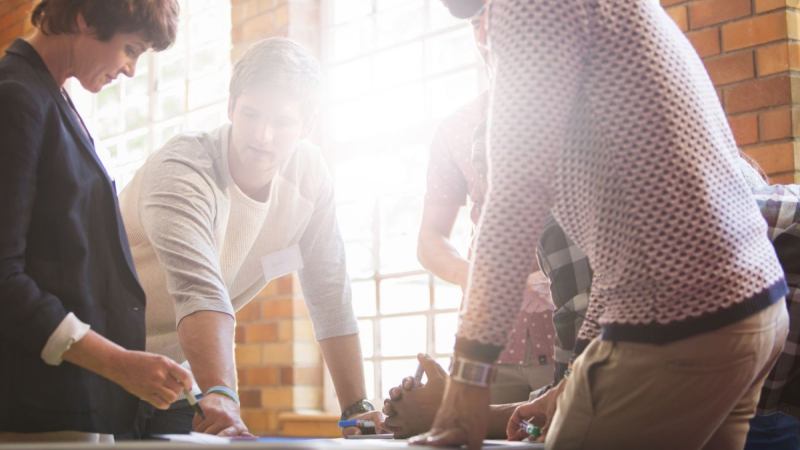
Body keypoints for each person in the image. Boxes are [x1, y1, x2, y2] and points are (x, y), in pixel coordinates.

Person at [413, 1, 789, 449]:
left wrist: (466, 383)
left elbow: (515, 194)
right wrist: (571, 379)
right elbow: (620, 256)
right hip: (754, 310)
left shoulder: (530, 5)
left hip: (679, 317)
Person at [117, 37, 379, 438]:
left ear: (307, 125)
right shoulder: (183, 167)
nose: (263, 135)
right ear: (230, 107)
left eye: (282, 122)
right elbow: (199, 289)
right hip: (102, 357)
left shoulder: (310, 176)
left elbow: (330, 293)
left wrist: (357, 410)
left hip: (174, 373)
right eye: (251, 114)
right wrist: (223, 392)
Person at [0, 0, 193, 443]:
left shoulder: (52, 97)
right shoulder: (16, 98)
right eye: (130, 49)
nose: (130, 70)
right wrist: (118, 363)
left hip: (75, 405)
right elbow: (3, 277)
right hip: (34, 413)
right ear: (84, 19)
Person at [417, 6, 554, 405]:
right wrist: (477, 278)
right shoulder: (455, 129)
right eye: (476, 23)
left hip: (573, 334)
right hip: (489, 345)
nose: (486, 35)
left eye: (496, 17)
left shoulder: (577, 110)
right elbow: (430, 239)